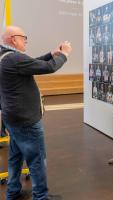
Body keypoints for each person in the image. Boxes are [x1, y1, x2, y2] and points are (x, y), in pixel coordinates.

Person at [0, 26, 72, 200]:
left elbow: (31, 63)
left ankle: (13, 192)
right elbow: (48, 68)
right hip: (26, 121)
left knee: (15, 158)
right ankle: (40, 197)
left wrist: (51, 53)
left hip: (13, 119)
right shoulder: (14, 59)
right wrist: (64, 54)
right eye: (23, 37)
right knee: (37, 160)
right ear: (13, 39)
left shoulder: (6, 57)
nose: (26, 40)